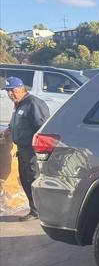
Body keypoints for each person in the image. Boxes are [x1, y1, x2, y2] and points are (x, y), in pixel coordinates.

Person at [4, 76, 50, 221]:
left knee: (33, 180)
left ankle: (42, 212)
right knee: (25, 180)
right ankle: (34, 209)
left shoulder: (33, 104)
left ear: (21, 88)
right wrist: (8, 130)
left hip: (32, 151)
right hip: (22, 150)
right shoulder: (18, 104)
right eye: (7, 91)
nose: (10, 94)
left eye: (12, 90)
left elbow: (42, 128)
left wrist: (39, 151)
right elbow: (15, 123)